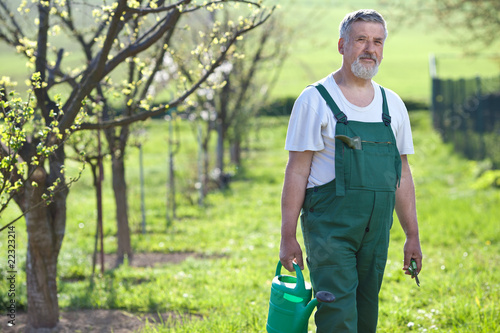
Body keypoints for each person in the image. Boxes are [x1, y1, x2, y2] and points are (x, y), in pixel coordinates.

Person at [279, 9, 422, 333]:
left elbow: (402, 174)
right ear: (342, 45)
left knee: (366, 312)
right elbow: (297, 171)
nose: (370, 49)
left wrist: (412, 235)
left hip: (376, 231)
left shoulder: (392, 105)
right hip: (331, 230)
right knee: (338, 315)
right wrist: (288, 237)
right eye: (361, 40)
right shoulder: (315, 100)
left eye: (378, 41)